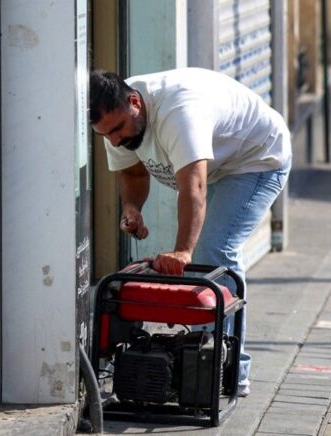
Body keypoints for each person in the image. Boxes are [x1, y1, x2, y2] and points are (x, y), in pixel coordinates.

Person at [89, 68, 292, 397]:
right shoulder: (118, 119)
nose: (114, 140)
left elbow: (193, 187)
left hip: (258, 159)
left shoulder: (178, 111)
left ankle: (228, 372)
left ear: (134, 102)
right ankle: (199, 360)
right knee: (203, 251)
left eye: (117, 130)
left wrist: (183, 250)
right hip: (218, 169)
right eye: (105, 136)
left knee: (214, 250)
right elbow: (133, 172)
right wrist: (132, 209)